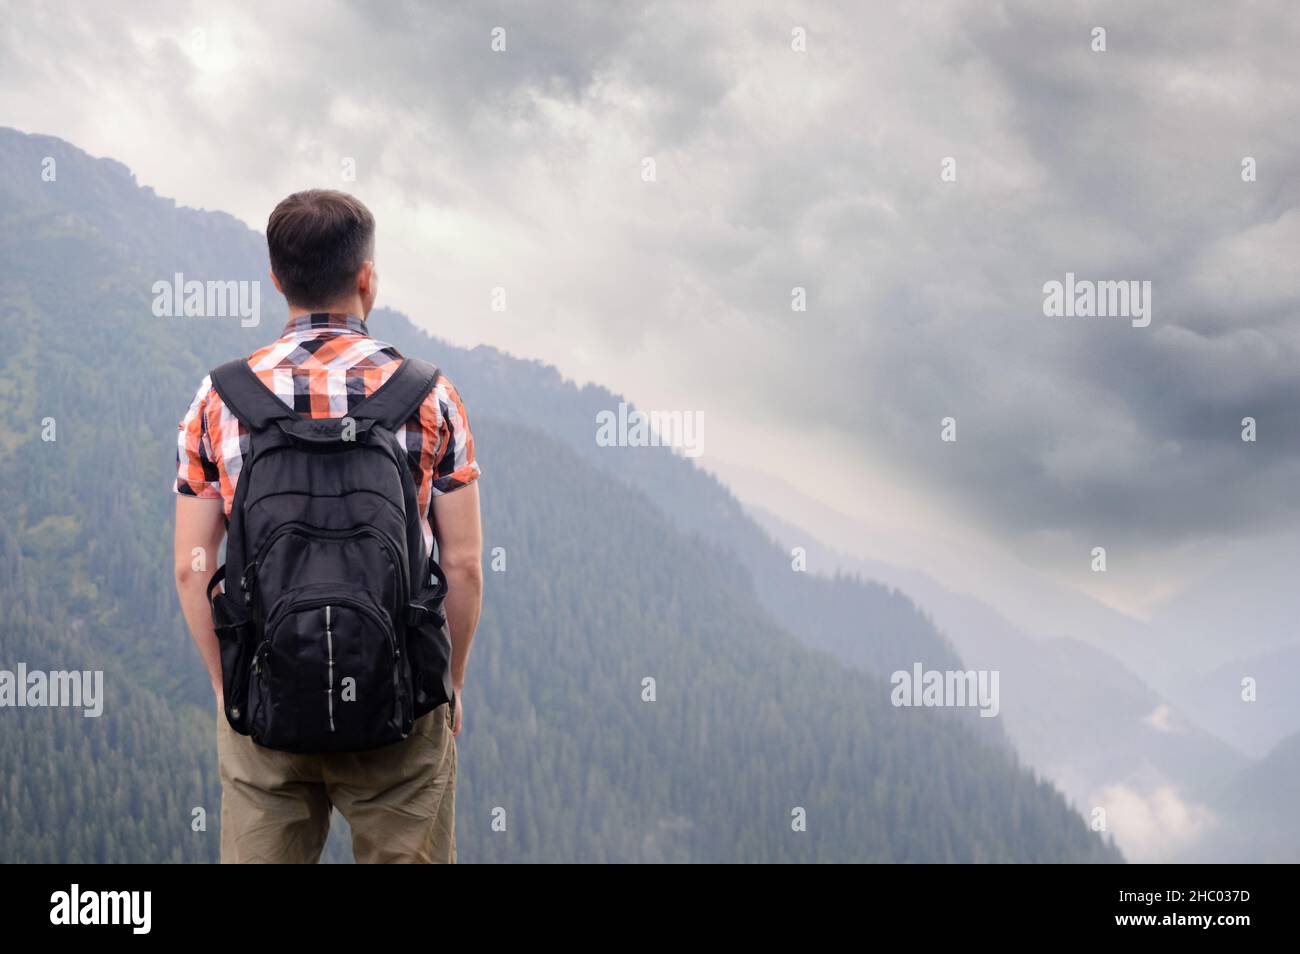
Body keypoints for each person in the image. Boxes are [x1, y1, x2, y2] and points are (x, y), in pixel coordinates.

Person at [172, 190, 482, 863]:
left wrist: (233, 689)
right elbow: (462, 566)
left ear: (276, 278)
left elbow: (190, 565)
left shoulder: (219, 399)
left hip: (269, 702)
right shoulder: (430, 393)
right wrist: (445, 684)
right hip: (398, 702)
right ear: (366, 277)